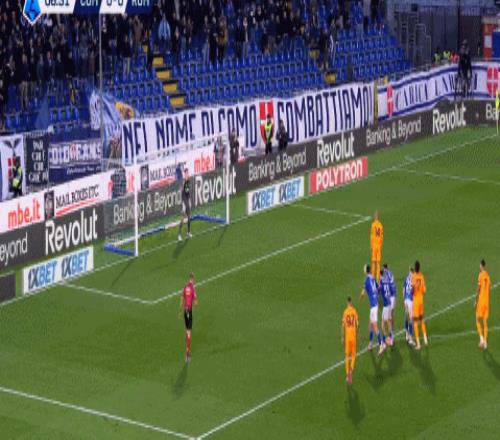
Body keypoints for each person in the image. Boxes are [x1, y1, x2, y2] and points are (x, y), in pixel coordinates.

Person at [360, 264, 385, 355]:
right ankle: (370, 344)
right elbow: (378, 288)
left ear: (365, 271)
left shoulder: (366, 280)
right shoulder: (373, 278)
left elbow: (363, 292)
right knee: (370, 324)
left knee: (374, 326)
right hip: (375, 304)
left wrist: (361, 296)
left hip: (374, 305)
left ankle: (381, 345)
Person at [179, 273, 198, 363]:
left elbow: (182, 298)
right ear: (192, 279)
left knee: (187, 331)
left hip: (184, 311)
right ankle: (187, 354)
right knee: (189, 332)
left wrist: (180, 310)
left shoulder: (185, 287)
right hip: (189, 312)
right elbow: (196, 302)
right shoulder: (192, 288)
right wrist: (194, 301)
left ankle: (187, 351)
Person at [341, 297, 359, 385]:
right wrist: (357, 333)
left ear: (347, 303)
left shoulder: (345, 312)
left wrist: (342, 337)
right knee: (354, 355)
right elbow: (357, 324)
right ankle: (351, 371)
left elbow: (343, 325)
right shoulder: (354, 311)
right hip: (353, 336)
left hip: (347, 336)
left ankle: (347, 374)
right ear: (351, 303)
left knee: (347, 356)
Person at [412, 260, 428, 350]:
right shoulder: (422, 276)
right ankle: (425, 339)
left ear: (415, 268)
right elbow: (424, 290)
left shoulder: (413, 276)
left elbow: (412, 290)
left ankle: (418, 344)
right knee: (421, 319)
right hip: (421, 300)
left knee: (415, 322)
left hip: (416, 301)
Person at [475, 259, 491, 349]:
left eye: (480, 265)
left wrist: (476, 300)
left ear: (482, 266)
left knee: (477, 320)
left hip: (481, 301)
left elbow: (478, 289)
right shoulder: (488, 276)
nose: (479, 267)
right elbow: (489, 287)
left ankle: (481, 339)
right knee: (485, 322)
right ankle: (485, 342)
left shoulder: (480, 275)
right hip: (487, 302)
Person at [379, 267, 393, 346]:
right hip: (389, 303)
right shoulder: (387, 280)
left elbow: (378, 291)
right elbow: (390, 290)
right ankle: (390, 337)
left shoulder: (381, 282)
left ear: (380, 274)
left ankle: (388, 339)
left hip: (386, 305)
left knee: (384, 322)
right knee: (388, 321)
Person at [383, 263, 396, 341]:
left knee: (388, 318)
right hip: (393, 296)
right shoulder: (391, 274)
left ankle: (390, 335)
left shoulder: (384, 276)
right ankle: (392, 330)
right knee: (391, 315)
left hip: (389, 297)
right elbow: (393, 285)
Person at [178, 168, 192, 241]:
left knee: (189, 217)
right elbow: (183, 192)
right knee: (183, 218)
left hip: (187, 200)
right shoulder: (184, 182)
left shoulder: (188, 181)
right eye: (186, 173)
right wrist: (184, 204)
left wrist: (189, 200)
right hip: (184, 201)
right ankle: (179, 235)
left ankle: (188, 232)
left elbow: (188, 192)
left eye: (188, 173)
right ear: (184, 174)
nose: (187, 174)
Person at [370, 211, 384, 283]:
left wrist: (371, 245)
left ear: (375, 217)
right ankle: (378, 279)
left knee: (373, 262)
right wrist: (381, 245)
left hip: (374, 245)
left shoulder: (373, 225)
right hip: (378, 245)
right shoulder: (381, 225)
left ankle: (373, 277)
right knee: (378, 263)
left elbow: (372, 236)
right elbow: (382, 237)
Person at [403, 267, 415, 345]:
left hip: (406, 300)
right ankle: (410, 339)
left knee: (406, 317)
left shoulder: (406, 278)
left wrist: (404, 299)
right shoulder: (413, 279)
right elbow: (414, 291)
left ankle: (406, 334)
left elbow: (403, 290)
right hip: (410, 300)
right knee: (411, 319)